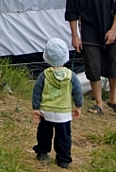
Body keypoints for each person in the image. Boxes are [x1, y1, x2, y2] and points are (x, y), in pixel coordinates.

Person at [32, 38, 83, 169]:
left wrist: (36, 108)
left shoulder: (44, 75)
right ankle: (63, 159)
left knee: (44, 133)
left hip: (46, 111)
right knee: (64, 137)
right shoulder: (71, 75)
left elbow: (37, 91)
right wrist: (78, 106)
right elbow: (77, 91)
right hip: (63, 113)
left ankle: (42, 152)